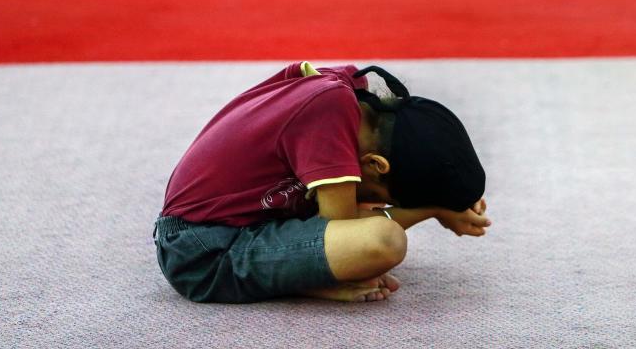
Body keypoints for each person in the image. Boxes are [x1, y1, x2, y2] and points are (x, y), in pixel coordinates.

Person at [153, 61, 490, 303]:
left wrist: (445, 196)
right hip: (200, 251)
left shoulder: (351, 98)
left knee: (364, 216)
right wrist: (432, 209)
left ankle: (294, 274)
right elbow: (345, 230)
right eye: (390, 198)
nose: (383, 203)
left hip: (232, 226)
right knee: (383, 240)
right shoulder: (328, 117)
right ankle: (300, 284)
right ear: (375, 164)